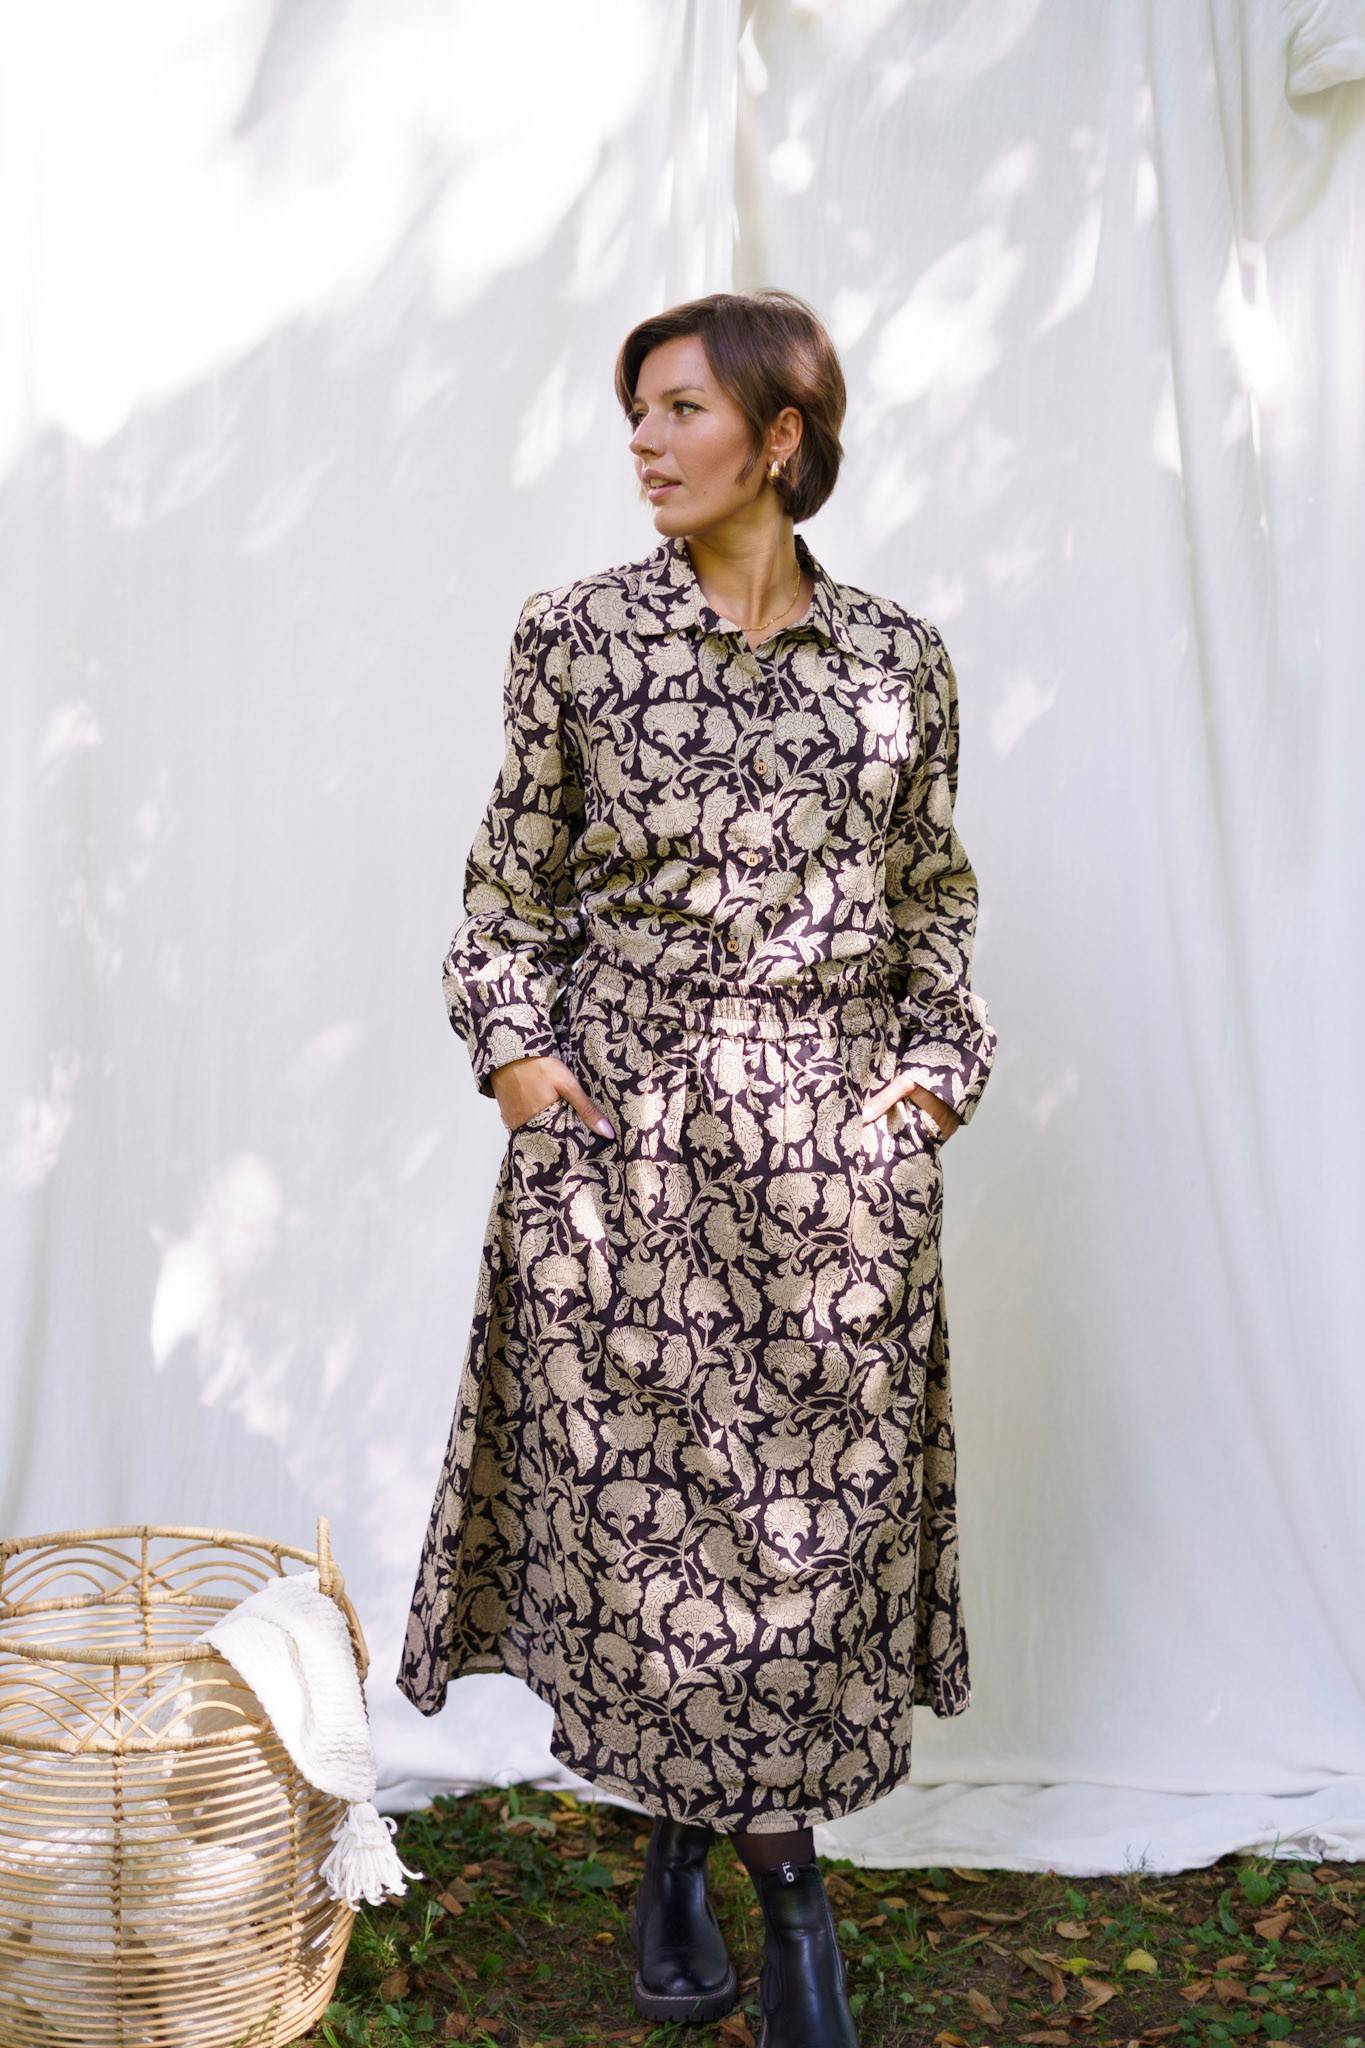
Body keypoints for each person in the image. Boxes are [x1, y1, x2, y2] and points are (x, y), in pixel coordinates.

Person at [396, 288, 998, 2046]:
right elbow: (505, 892)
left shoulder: (899, 662)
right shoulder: (572, 636)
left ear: (779, 437)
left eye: (677, 410)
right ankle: (751, 1883)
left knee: (801, 1536)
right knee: (649, 1531)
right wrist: (523, 1069)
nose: (643, 443)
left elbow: (933, 908)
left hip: (829, 1168)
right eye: (635, 413)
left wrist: (927, 1086)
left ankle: (735, 1865)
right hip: (623, 1152)